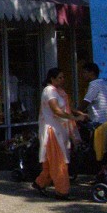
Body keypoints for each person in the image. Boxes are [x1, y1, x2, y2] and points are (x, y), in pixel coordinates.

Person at [32, 68, 86, 200]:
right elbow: (56, 110)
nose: (62, 80)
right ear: (52, 79)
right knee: (59, 162)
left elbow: (66, 107)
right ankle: (62, 192)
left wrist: (78, 113)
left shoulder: (60, 92)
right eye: (60, 77)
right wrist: (75, 118)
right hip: (52, 131)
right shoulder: (49, 91)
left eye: (63, 77)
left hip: (61, 130)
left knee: (53, 162)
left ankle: (40, 183)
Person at [79, 62, 107, 135]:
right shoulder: (102, 83)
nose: (82, 75)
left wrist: (75, 112)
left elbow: (86, 102)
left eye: (84, 72)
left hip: (98, 122)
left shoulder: (94, 84)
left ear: (91, 73)